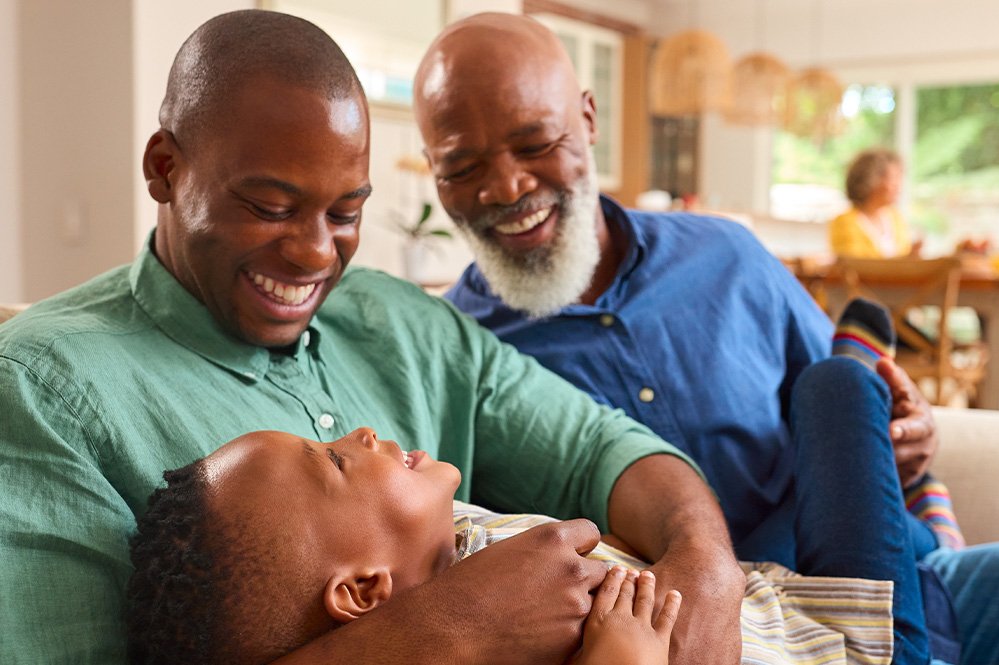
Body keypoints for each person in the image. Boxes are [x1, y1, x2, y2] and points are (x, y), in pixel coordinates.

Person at [427, 13, 999, 665]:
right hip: (753, 638)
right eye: (461, 165)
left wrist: (908, 431)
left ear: (589, 118)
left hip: (915, 585)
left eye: (535, 143)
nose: (505, 186)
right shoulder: (455, 353)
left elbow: (856, 427)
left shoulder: (728, 257)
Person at [0, 10, 747, 664]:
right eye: (269, 205)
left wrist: (709, 569)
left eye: (345, 212)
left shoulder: (402, 320)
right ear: (167, 169)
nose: (316, 253)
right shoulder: (42, 385)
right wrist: (453, 626)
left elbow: (598, 448)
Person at [125, 425, 903, 664]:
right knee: (841, 385)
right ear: (361, 591)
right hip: (856, 640)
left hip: (786, 593)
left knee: (841, 391)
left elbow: (604, 446)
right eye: (331, 459)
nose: (357, 430)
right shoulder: (503, 644)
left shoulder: (445, 533)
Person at [829, 148, 920, 259]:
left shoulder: (896, 218)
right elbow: (855, 265)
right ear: (871, 180)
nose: (898, 186)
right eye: (893, 178)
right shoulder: (844, 222)